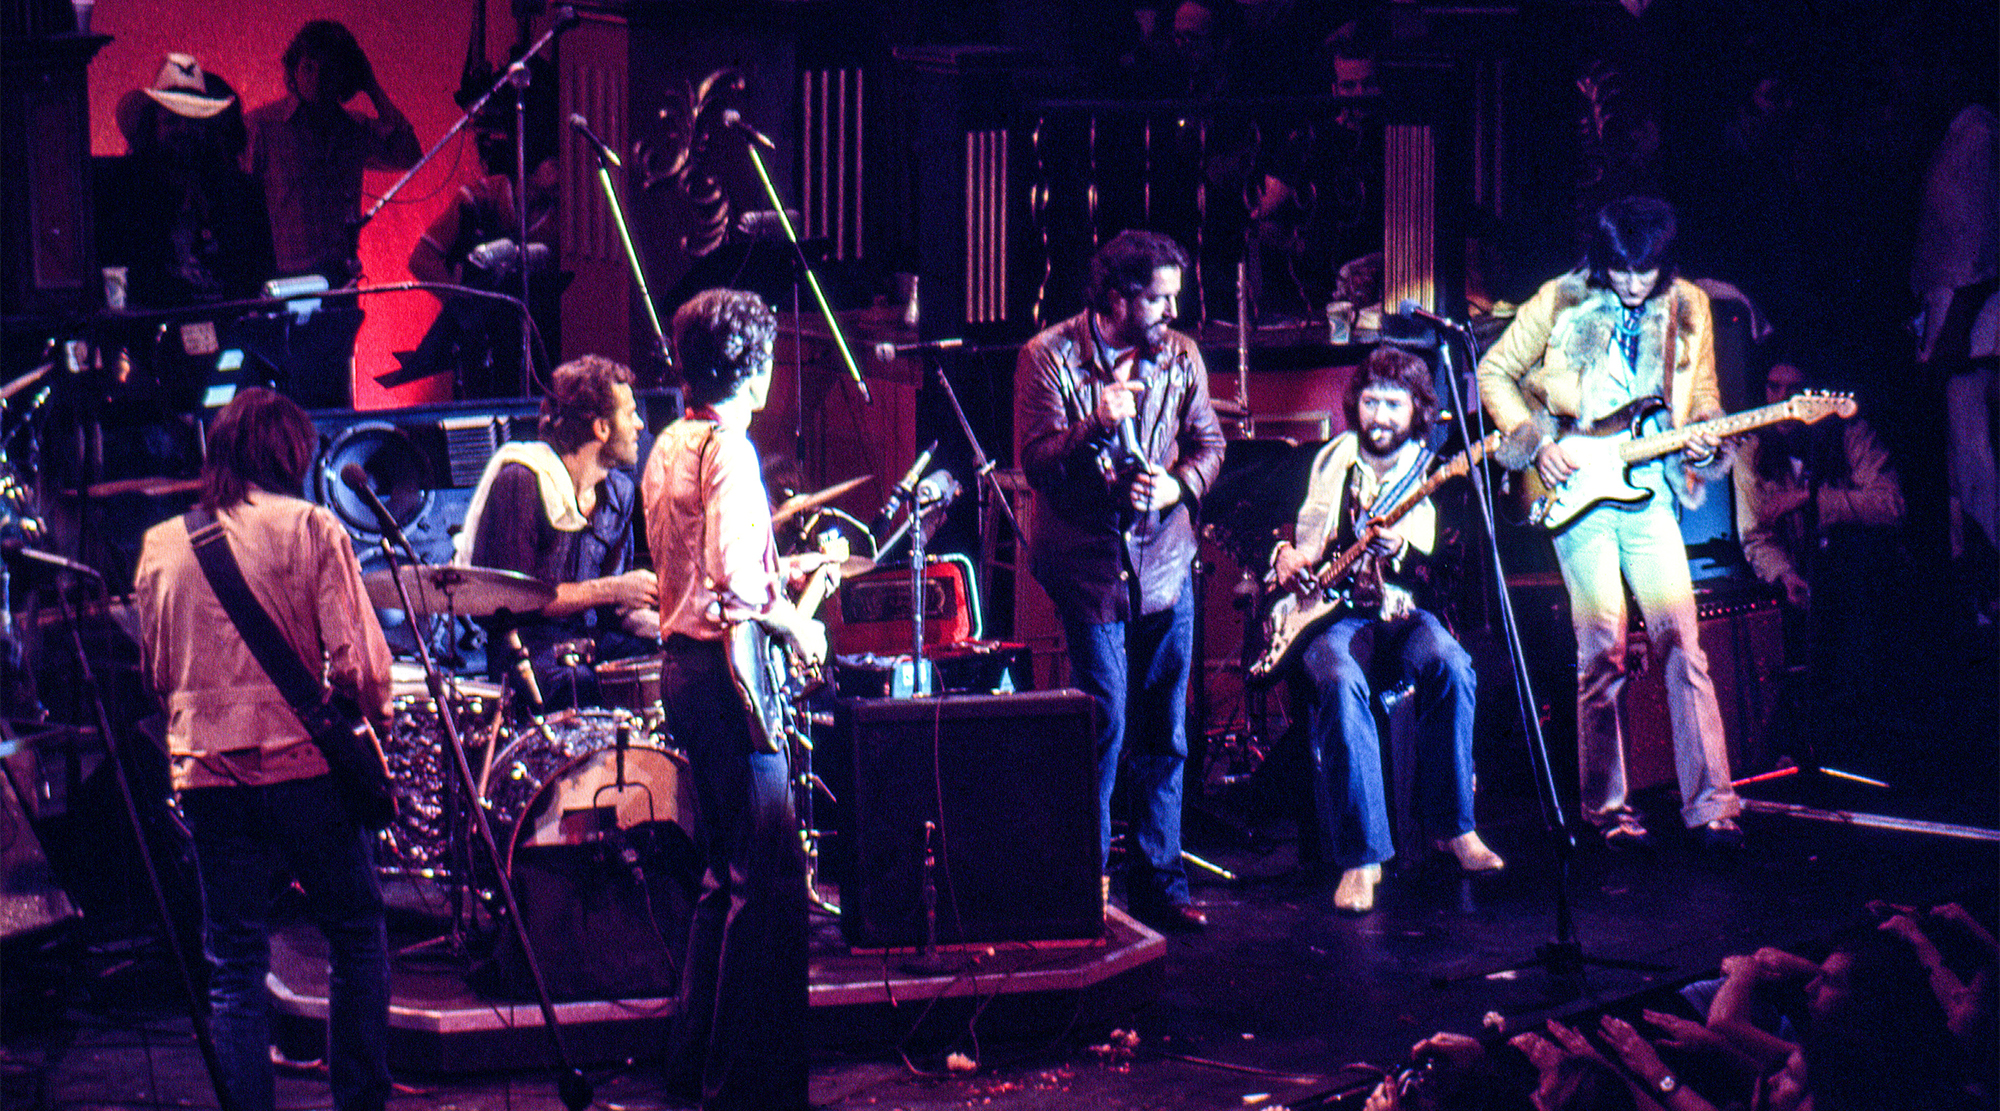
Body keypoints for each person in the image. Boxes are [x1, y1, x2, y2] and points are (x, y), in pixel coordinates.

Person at [132, 387, 394, 1111]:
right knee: (356, 933)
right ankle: (361, 1101)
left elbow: (156, 675)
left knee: (235, 961)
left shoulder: (161, 543)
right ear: (292, 453)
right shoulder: (310, 527)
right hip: (305, 770)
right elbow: (362, 671)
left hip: (208, 777)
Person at [1476, 195, 1744, 852]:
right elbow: (1494, 373)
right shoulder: (1561, 300)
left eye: (1643, 272)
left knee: (1683, 640)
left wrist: (1705, 438)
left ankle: (1712, 805)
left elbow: (1702, 397)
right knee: (1602, 649)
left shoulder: (1690, 308)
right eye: (1620, 270)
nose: (1630, 283)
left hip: (1648, 493)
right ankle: (1607, 810)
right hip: (1576, 493)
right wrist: (1538, 446)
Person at [641, 288, 833, 1111]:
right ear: (754, 369)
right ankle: (746, 1090)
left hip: (683, 667)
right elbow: (735, 579)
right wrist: (797, 619)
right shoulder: (729, 449)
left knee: (726, 879)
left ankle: (696, 1071)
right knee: (769, 886)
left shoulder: (668, 443)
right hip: (728, 672)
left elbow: (693, 569)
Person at [1016, 229, 1226, 931]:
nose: (1171, 309)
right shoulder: (1047, 357)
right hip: (1088, 563)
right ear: (1117, 298)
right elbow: (1039, 462)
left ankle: (1160, 881)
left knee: (1166, 727)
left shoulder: (1181, 355)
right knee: (1104, 723)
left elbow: (1210, 443)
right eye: (1159, 298)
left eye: (1174, 295)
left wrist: (1177, 488)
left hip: (1166, 560)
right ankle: (1085, 883)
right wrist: (1093, 427)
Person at [1267, 345, 1502, 914]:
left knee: (1452, 664)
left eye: (1393, 404)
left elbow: (1457, 576)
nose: (1379, 416)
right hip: (1328, 616)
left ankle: (1454, 827)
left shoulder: (1439, 477)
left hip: (1403, 612)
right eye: (1370, 401)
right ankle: (1361, 855)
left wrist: (1409, 552)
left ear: (1417, 409)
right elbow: (1269, 521)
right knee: (1340, 681)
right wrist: (1282, 554)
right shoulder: (1325, 460)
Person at [457, 355, 659, 712]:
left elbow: (614, 608)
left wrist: (665, 628)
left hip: (592, 646)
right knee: (589, 688)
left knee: (673, 666)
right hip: (531, 658)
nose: (640, 425)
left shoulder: (620, 493)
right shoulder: (522, 480)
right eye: (630, 414)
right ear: (601, 428)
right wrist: (612, 588)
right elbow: (514, 601)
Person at [1733, 358, 1905, 755]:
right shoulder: (1751, 453)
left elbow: (1892, 504)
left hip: (1858, 578)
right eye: (1773, 387)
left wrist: (1811, 499)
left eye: (1794, 391)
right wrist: (1786, 575)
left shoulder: (1850, 435)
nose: (1782, 400)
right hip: (1800, 584)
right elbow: (1756, 535)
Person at [404, 92, 562, 399]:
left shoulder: (557, 220)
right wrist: (464, 305)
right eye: (553, 162)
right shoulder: (478, 199)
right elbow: (421, 260)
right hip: (477, 349)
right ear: (531, 161)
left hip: (529, 348)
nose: (560, 171)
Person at [244, 20, 420, 285]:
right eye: (308, 67)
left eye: (327, 70)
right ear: (294, 68)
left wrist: (371, 85)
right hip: (281, 278)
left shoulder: (354, 129)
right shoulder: (263, 127)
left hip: (339, 278)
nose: (316, 78)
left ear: (344, 77)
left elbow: (409, 154)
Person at [101, 53, 274, 309]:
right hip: (153, 335)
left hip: (229, 333)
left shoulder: (241, 195)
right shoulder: (123, 191)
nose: (184, 129)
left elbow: (259, 277)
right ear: (152, 126)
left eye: (194, 120)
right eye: (172, 120)